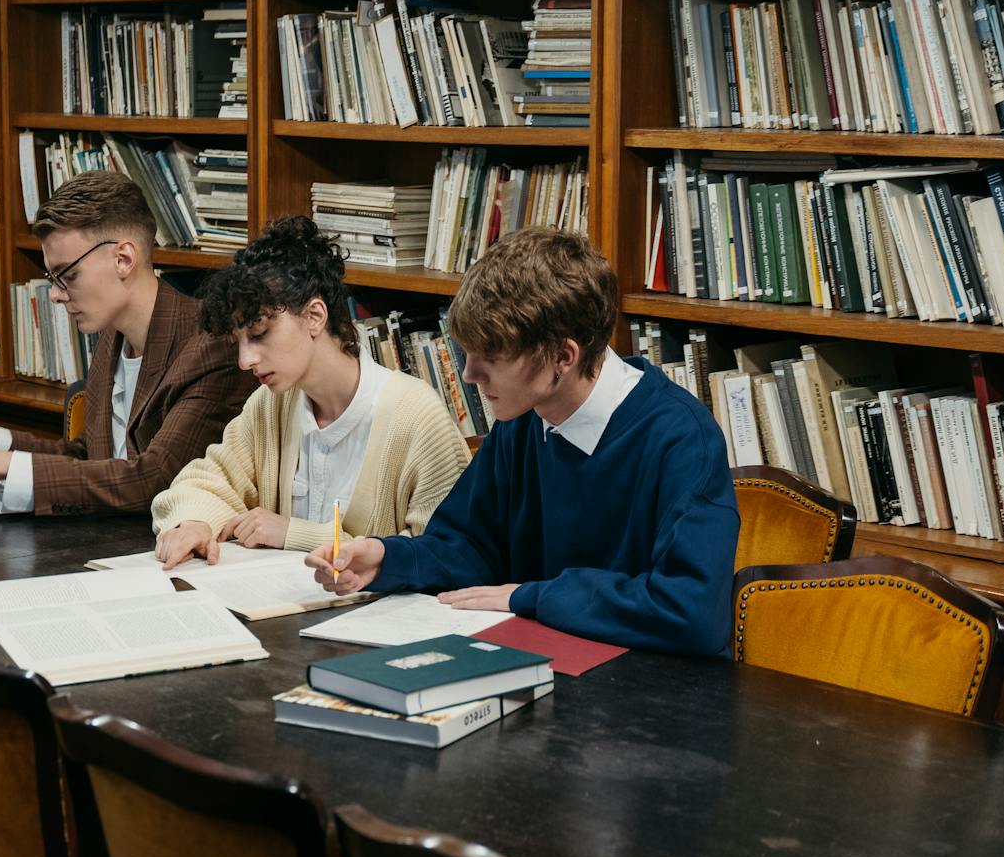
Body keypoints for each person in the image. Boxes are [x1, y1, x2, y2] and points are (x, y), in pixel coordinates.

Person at [306, 228, 739, 655]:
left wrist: (532, 596)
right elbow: (471, 545)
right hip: (540, 666)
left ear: (562, 357)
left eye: (490, 358)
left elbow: (691, 612)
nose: (469, 375)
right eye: (468, 354)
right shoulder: (523, 418)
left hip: (655, 693)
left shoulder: (682, 440)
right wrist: (386, 559)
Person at [0, 171, 248, 514]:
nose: (56, 295)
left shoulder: (213, 345)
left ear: (124, 259)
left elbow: (155, 480)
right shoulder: (110, 337)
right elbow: (89, 457)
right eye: (53, 278)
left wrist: (2, 465)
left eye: (68, 275)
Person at [150, 217, 471, 568]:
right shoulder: (270, 404)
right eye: (237, 342)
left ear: (315, 316)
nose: (245, 360)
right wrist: (196, 522)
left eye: (259, 334)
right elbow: (206, 480)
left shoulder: (418, 416)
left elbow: (445, 554)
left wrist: (294, 533)